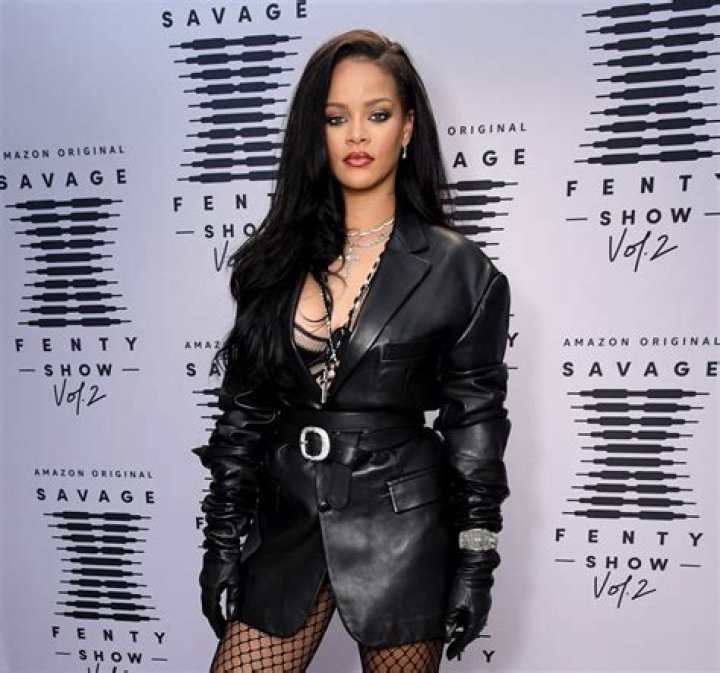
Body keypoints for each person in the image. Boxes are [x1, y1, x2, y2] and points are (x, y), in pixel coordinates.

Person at [193, 28, 511, 673]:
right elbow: (243, 414)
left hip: (403, 531)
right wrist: (222, 538)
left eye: (378, 114)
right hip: (288, 523)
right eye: (336, 118)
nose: (357, 135)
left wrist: (476, 560)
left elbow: (475, 424)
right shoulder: (271, 261)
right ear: (314, 133)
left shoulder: (461, 271)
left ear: (408, 127)